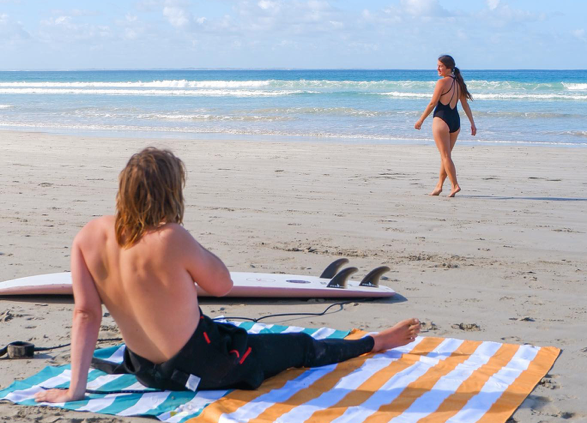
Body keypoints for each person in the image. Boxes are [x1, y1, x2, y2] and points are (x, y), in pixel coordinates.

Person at [35, 147, 421, 402]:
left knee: (224, 330)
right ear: (172, 192)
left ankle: (80, 385)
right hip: (202, 369)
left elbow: (85, 314)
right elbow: (222, 284)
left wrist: (74, 390)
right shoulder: (172, 237)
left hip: (146, 372)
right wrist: (188, 243)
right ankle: (375, 342)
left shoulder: (88, 235)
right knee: (300, 346)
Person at [415, 56, 476, 197]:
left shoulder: (441, 82)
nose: (438, 68)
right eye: (437, 65)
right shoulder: (458, 82)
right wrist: (472, 123)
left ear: (449, 68)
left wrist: (421, 120)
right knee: (446, 156)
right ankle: (439, 186)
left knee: (445, 156)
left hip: (441, 120)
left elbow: (432, 103)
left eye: (440, 66)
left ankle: (455, 185)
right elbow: (465, 104)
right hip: (455, 122)